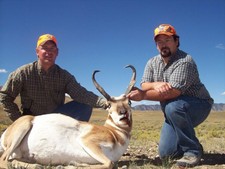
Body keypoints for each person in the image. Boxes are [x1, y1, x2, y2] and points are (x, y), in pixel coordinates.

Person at [127, 24, 213, 167]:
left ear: (176, 42)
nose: (163, 45)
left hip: (198, 106)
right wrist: (156, 84)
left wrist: (142, 96)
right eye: (159, 42)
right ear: (156, 45)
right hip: (173, 111)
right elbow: (144, 83)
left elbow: (173, 92)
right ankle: (194, 143)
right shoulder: (152, 62)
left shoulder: (185, 61)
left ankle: (192, 151)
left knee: (173, 105)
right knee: (166, 153)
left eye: (167, 40)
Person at [0, 34, 108, 122]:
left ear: (57, 53)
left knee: (85, 105)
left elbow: (81, 94)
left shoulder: (64, 76)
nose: (49, 52)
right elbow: (5, 96)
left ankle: (69, 140)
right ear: (37, 52)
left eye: (52, 48)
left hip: (56, 119)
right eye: (44, 48)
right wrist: (19, 121)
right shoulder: (23, 73)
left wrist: (107, 103)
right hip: (33, 120)